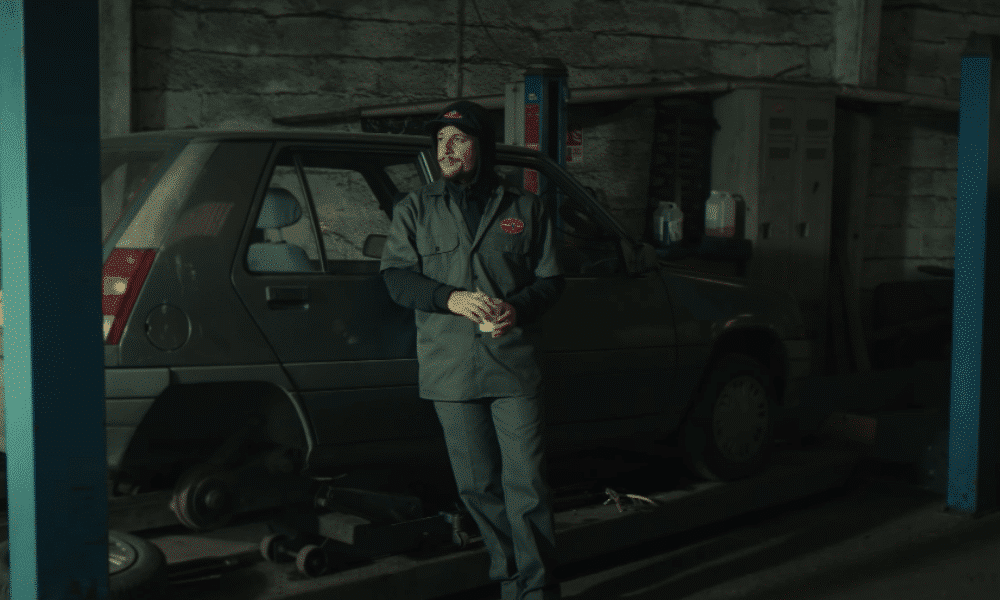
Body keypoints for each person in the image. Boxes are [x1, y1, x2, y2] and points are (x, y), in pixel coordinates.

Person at [380, 100, 565, 600]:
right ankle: (510, 580)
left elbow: (551, 280)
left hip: (513, 364)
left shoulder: (526, 208)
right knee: (477, 486)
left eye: (458, 139)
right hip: (451, 369)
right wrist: (449, 298)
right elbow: (396, 278)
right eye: (440, 141)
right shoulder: (415, 208)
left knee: (528, 484)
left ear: (482, 145)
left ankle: (537, 591)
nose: (446, 150)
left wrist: (517, 309)